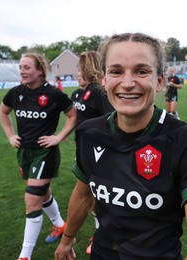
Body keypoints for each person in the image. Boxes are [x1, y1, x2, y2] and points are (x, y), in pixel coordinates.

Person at [55, 32, 187, 260]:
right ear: (104, 79)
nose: (127, 83)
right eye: (116, 71)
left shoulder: (185, 141)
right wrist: (67, 239)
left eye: (142, 71)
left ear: (160, 81)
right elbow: (83, 194)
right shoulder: (90, 132)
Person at [0, 52, 77, 260]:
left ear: (40, 70)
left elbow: (73, 115)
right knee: (43, 193)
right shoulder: (15, 93)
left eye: (27, 67)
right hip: (24, 152)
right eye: (21, 67)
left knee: (32, 199)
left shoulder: (53, 94)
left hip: (45, 153)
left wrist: (58, 137)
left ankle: (25, 255)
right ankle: (60, 225)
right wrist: (10, 135)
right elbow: (3, 112)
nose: (22, 71)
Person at [72, 51, 114, 255]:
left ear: (88, 68)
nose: (77, 73)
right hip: (84, 150)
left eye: (80, 68)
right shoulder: (79, 93)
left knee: (99, 197)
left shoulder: (98, 92)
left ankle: (101, 235)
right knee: (91, 196)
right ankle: (100, 233)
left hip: (99, 152)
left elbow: (109, 121)